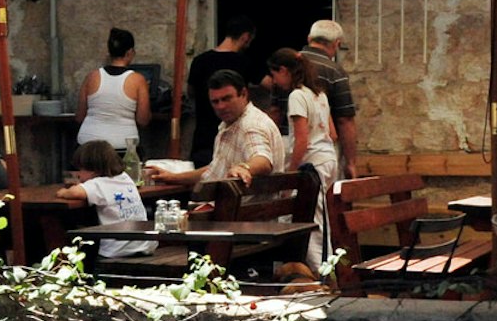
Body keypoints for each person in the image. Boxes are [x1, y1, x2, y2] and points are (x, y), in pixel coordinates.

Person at [154, 70, 285, 193]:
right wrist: (172, 177)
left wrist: (244, 168)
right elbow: (215, 169)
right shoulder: (232, 122)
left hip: (237, 214)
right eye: (215, 101)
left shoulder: (250, 126)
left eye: (227, 98)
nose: (221, 106)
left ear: (244, 94)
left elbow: (263, 160)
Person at [265, 47, 339, 265]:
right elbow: (332, 134)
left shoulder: (297, 96)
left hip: (311, 164)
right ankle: (326, 267)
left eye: (274, 75)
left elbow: (302, 140)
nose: (274, 81)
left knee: (309, 221)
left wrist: (290, 175)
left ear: (284, 70)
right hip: (328, 158)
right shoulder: (319, 94)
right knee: (320, 218)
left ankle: (320, 273)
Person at [56, 140, 157, 258]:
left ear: (92, 170)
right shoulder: (125, 178)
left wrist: (63, 192)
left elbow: (75, 193)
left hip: (118, 250)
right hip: (145, 245)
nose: (79, 175)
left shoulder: (98, 185)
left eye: (81, 170)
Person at [187, 14, 255, 167]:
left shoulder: (200, 61)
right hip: (235, 136)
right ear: (245, 37)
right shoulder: (243, 62)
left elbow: (190, 91)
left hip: (203, 135)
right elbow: (269, 84)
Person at [74, 27, 152, 152]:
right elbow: (142, 120)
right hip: (122, 146)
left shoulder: (91, 77)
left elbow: (79, 116)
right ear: (130, 52)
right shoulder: (137, 80)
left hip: (88, 146)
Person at [302, 19, 360, 179]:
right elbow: (345, 120)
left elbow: (275, 110)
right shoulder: (334, 71)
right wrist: (350, 163)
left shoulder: (287, 65)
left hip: (287, 143)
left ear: (309, 38)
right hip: (320, 145)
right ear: (336, 44)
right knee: (324, 198)